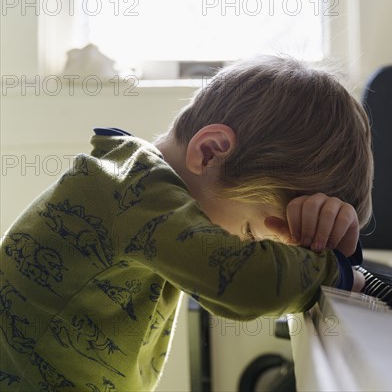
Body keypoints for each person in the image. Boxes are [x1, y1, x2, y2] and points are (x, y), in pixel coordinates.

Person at [0, 55, 373, 391]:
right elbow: (242, 280)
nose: (248, 247)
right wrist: (335, 272)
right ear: (210, 152)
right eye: (248, 234)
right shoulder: (133, 188)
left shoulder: (142, 184)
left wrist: (331, 246)